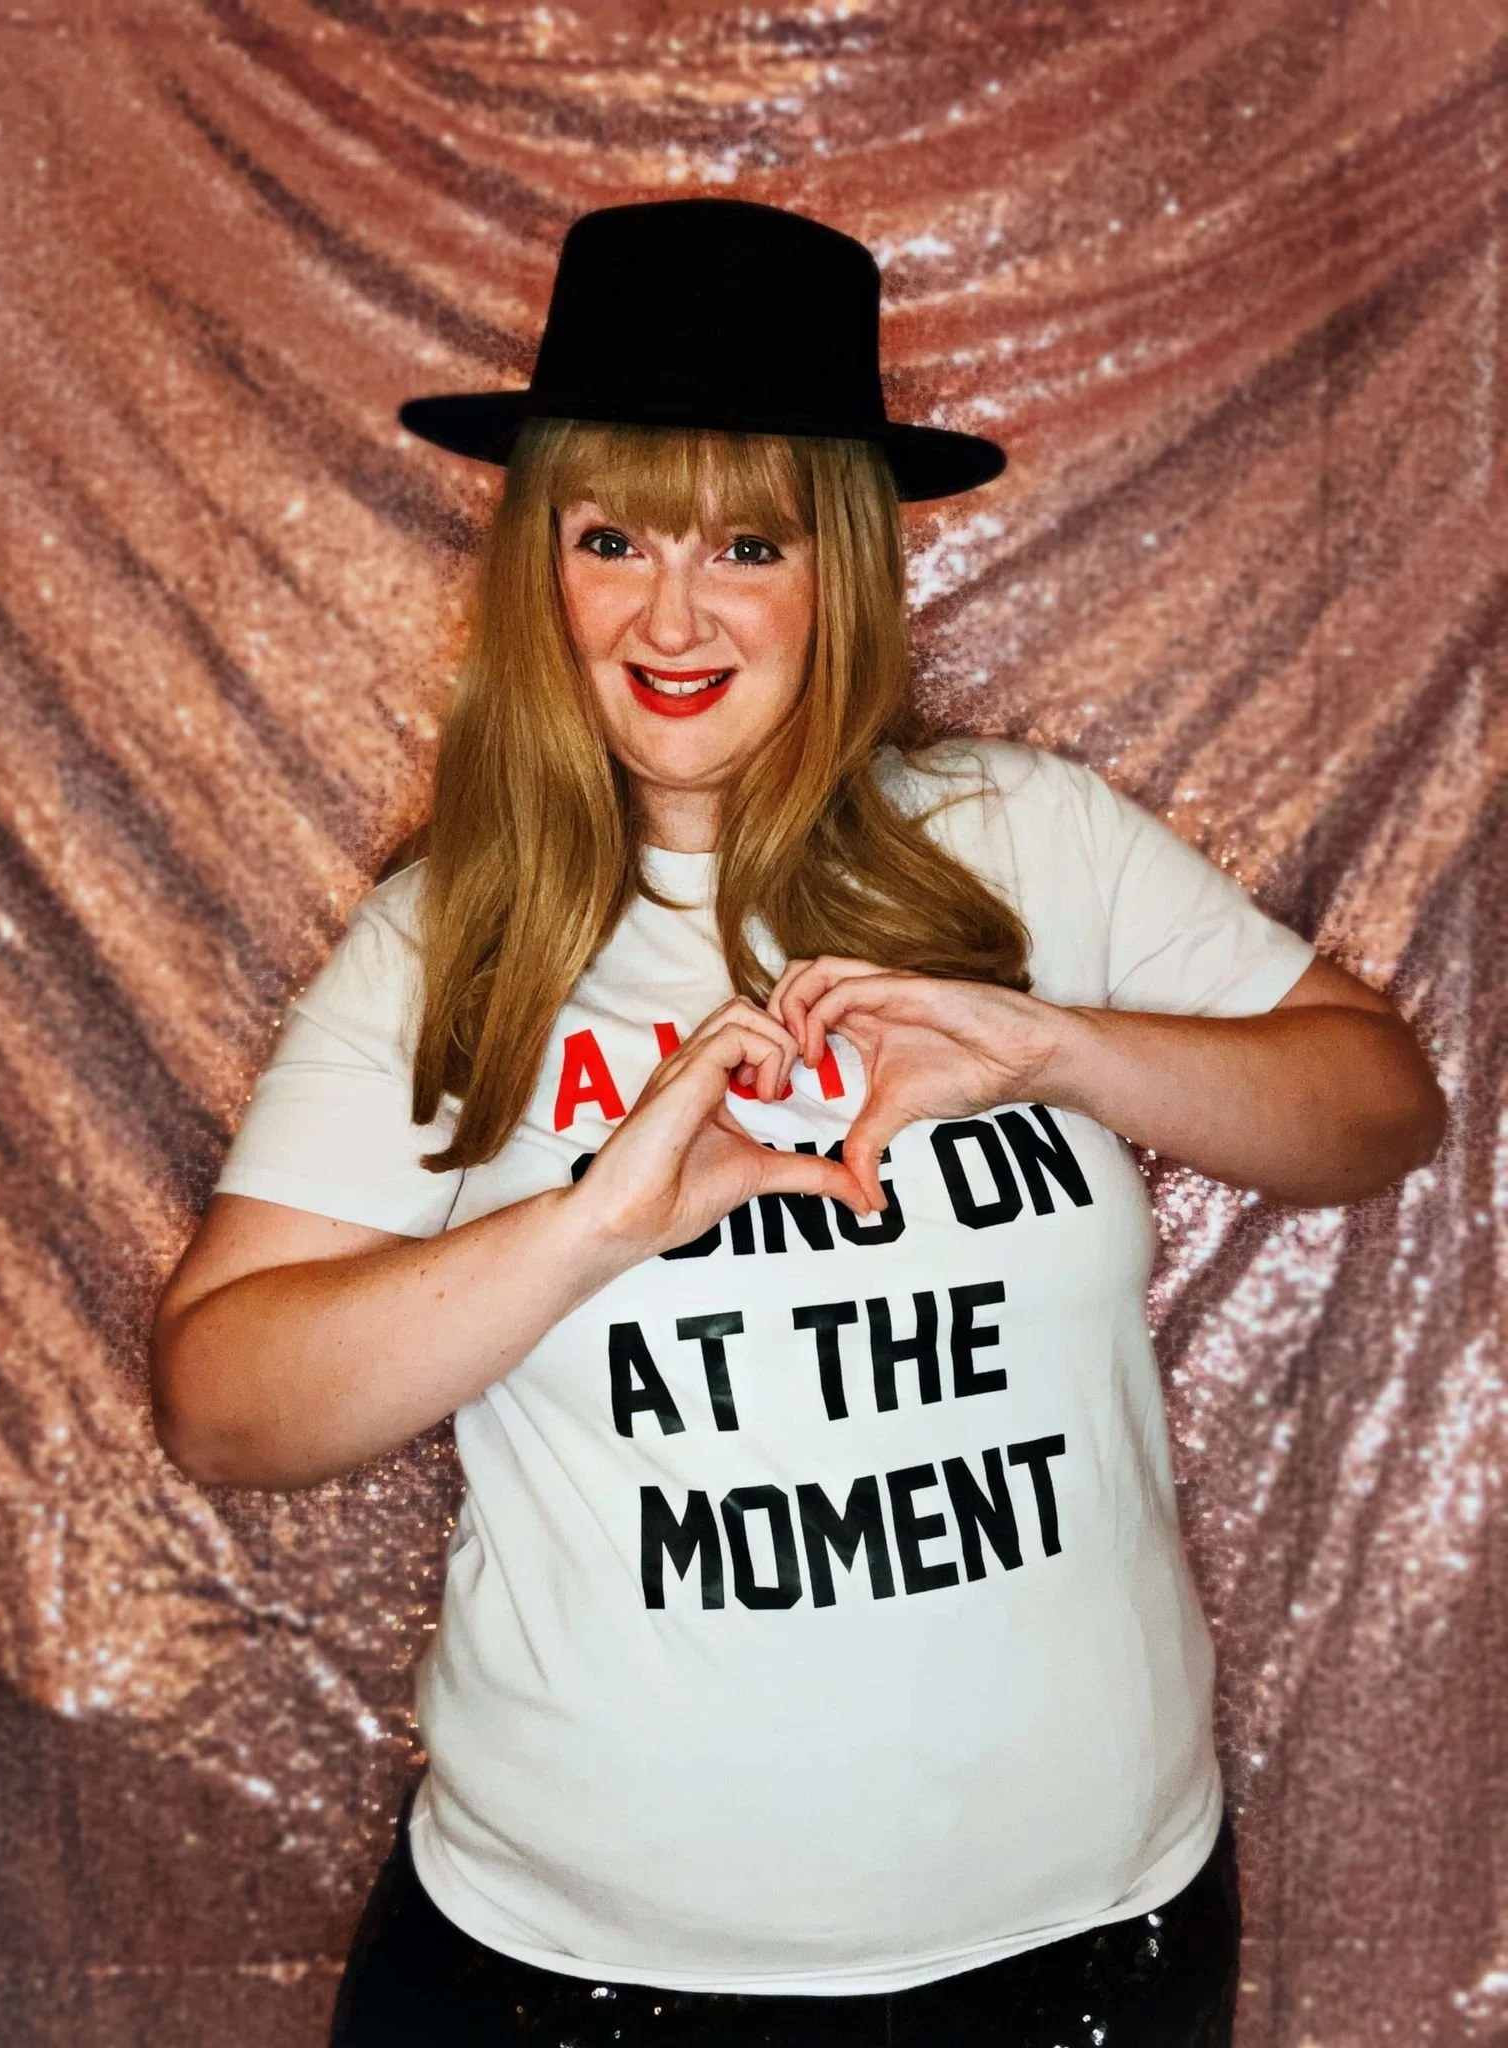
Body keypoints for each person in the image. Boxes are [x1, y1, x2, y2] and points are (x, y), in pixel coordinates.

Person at [149, 199, 1444, 2048]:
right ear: (546, 573)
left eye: (745, 543)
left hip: (1084, 1963)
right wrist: (596, 1219)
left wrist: (1056, 1047)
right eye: (613, 539)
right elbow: (222, 1405)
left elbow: (1378, 1112)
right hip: (581, 1989)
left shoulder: (1022, 834)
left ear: (838, 569)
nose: (673, 616)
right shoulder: (455, 933)